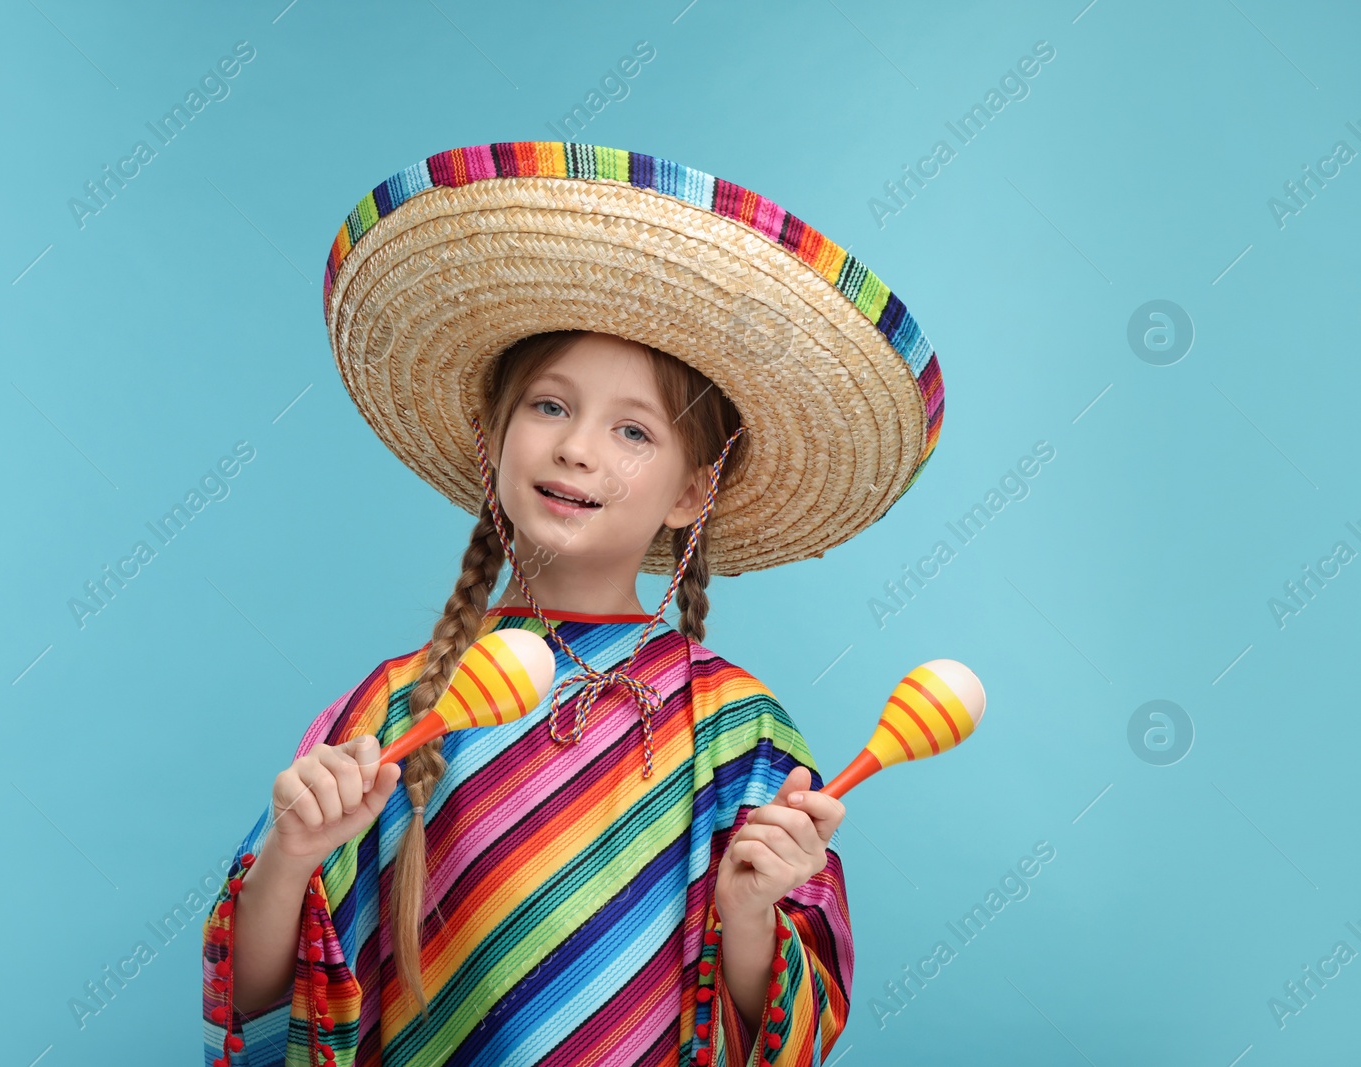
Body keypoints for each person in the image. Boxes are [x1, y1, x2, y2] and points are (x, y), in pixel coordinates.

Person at [203, 141, 946, 1067]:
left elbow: (783, 1033)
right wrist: (291, 854)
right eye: (550, 407)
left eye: (633, 428)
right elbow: (259, 1006)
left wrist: (751, 912)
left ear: (690, 492)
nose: (577, 449)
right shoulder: (396, 712)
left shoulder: (738, 732)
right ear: (495, 436)